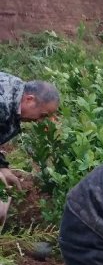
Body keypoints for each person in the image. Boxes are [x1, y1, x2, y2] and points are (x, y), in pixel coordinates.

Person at [0, 73, 60, 227]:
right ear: (30, 99)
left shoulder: (17, 90)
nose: (39, 121)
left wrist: (3, 168)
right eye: (42, 115)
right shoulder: (3, 103)